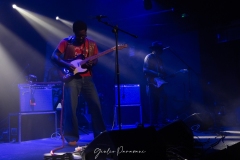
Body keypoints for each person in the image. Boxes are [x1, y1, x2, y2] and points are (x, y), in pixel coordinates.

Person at [51, 20, 106, 146]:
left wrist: (93, 62)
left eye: (84, 35)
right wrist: (66, 64)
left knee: (96, 105)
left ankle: (100, 134)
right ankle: (71, 137)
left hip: (87, 78)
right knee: (70, 107)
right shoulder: (66, 42)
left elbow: (95, 59)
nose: (81, 38)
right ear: (74, 33)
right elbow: (54, 56)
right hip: (71, 78)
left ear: (86, 32)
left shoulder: (91, 44)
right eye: (79, 36)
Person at [143, 41, 168, 127]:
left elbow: (161, 71)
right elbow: (145, 69)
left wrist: (164, 74)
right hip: (151, 84)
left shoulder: (159, 59)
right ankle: (153, 125)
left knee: (162, 101)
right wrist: (157, 74)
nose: (161, 51)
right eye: (160, 49)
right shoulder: (149, 57)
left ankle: (162, 122)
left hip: (159, 84)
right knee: (154, 105)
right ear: (156, 49)